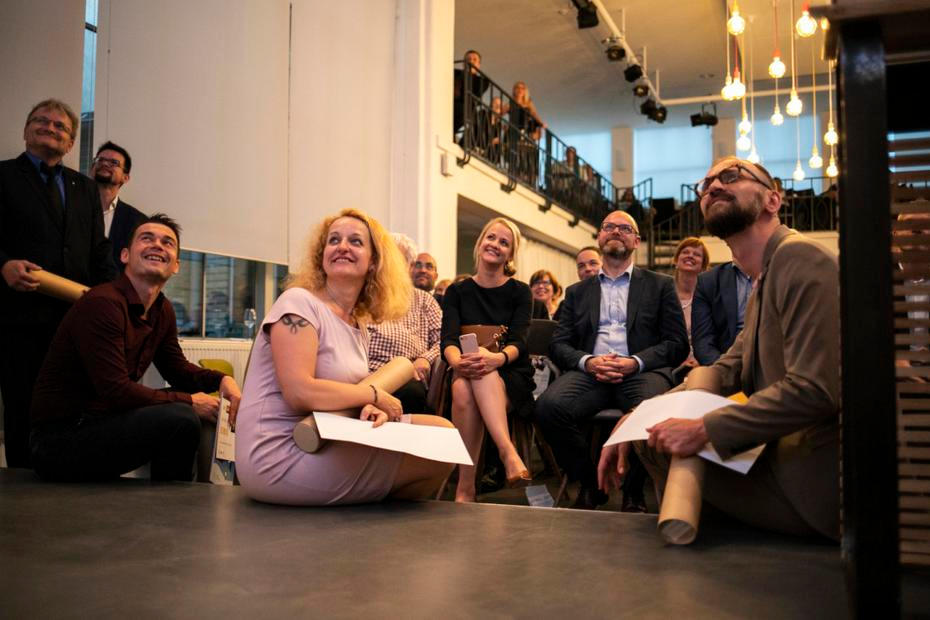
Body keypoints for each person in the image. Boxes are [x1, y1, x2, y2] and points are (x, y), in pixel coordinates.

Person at [599, 157, 841, 540]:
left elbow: (815, 390)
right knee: (649, 433)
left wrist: (703, 428)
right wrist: (636, 415)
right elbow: (726, 368)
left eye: (731, 176)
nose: (713, 186)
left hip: (817, 485)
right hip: (788, 457)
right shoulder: (765, 277)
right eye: (706, 183)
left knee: (659, 442)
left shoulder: (799, 257)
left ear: (773, 200)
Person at [235, 209, 454, 505]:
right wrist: (374, 396)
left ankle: (365, 516)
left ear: (374, 261)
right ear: (322, 256)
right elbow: (299, 393)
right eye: (334, 240)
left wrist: (369, 407)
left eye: (356, 241)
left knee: (445, 433)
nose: (342, 247)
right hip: (281, 452)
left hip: (330, 434)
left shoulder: (357, 322)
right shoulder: (298, 303)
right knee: (437, 452)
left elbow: (345, 390)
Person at [29, 214, 240, 481]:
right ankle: (176, 501)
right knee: (181, 416)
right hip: (60, 440)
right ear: (125, 255)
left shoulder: (162, 309)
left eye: (167, 242)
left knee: (187, 406)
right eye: (146, 238)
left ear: (176, 265)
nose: (157, 245)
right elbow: (116, 391)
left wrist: (222, 380)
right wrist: (190, 401)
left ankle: (172, 496)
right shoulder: (103, 303)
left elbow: (177, 370)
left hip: (102, 420)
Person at [536, 210, 688, 510]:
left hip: (642, 372)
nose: (616, 231)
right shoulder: (577, 292)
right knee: (548, 408)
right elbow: (559, 344)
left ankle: (633, 490)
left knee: (652, 410)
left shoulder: (660, 285)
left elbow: (677, 344)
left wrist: (636, 361)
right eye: (609, 227)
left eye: (625, 228)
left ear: (637, 241)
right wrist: (588, 361)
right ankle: (591, 483)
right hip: (590, 374)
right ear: (599, 237)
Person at [0, 98, 116, 468]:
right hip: (19, 318)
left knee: (69, 408)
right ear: (26, 130)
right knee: (22, 406)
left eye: (60, 126)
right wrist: (3, 265)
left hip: (74, 321)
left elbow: (98, 250)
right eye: (41, 121)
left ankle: (59, 479)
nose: (50, 128)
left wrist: (111, 298)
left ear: (70, 143)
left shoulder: (85, 188)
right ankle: (21, 485)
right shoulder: (3, 176)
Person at [440, 217, 535, 502]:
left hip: (509, 373)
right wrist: (457, 362)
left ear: (510, 254)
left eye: (504, 242)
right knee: (462, 386)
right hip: (464, 367)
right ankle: (507, 452)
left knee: (477, 375)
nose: (495, 244)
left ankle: (466, 487)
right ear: (480, 242)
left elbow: (520, 342)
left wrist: (497, 359)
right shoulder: (457, 291)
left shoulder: (520, 291)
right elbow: (448, 339)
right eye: (491, 237)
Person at [367, 234, 442, 413]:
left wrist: (425, 358)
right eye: (384, 257)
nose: (387, 263)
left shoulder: (423, 300)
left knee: (412, 390)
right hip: (365, 371)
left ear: (409, 266)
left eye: (394, 258)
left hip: (407, 376)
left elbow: (444, 339)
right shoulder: (365, 293)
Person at [90, 141, 146, 271]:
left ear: (125, 177)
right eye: (100, 160)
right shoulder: (72, 205)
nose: (104, 164)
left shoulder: (138, 221)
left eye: (114, 163)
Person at [691, 258, 753, 366]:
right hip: (725, 361)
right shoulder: (708, 281)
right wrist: (722, 369)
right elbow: (703, 341)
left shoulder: (779, 272)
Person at [671, 237, 710, 370]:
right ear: (676, 260)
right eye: (685, 252)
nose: (690, 256)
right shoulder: (663, 295)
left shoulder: (710, 298)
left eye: (697, 254)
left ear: (703, 266)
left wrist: (700, 360)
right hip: (669, 363)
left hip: (702, 363)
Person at [453, 50, 489, 139]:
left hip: (465, 109)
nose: (471, 61)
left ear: (478, 65)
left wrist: (468, 74)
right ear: (463, 63)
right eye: (468, 59)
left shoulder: (482, 81)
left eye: (474, 59)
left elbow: (475, 93)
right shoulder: (454, 73)